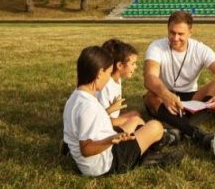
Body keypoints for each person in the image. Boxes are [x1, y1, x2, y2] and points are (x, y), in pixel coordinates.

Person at [63, 46, 179, 176]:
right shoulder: (88, 106)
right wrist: (111, 139)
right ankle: (151, 151)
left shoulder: (76, 97)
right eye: (108, 73)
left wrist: (109, 111)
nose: (108, 78)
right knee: (155, 126)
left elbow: (81, 126)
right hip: (105, 162)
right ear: (100, 73)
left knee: (135, 120)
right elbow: (86, 149)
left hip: (102, 146)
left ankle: (154, 142)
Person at [143, 11, 215, 148]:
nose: (175, 38)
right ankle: (196, 133)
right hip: (164, 96)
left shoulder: (201, 49)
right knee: (150, 97)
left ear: (190, 32)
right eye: (172, 32)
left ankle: (177, 128)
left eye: (181, 34)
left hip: (191, 97)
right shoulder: (156, 46)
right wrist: (165, 94)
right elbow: (150, 77)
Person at [96, 39, 146, 133]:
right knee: (136, 120)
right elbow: (100, 118)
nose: (135, 67)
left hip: (111, 118)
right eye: (133, 64)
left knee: (135, 114)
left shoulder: (117, 79)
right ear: (120, 65)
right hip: (104, 122)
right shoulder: (105, 86)